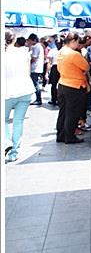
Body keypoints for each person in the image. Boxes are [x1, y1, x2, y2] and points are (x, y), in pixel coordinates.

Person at [55, 31, 91, 144]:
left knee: (63, 112)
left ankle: (60, 135)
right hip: (74, 86)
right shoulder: (73, 54)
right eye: (77, 42)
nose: (78, 44)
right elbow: (86, 66)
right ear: (73, 41)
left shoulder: (61, 52)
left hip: (62, 84)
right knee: (72, 112)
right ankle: (70, 136)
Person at [5, 33, 36, 162]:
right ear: (14, 40)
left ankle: (6, 142)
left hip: (7, 90)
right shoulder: (24, 52)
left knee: (4, 120)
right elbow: (28, 71)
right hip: (25, 89)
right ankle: (14, 152)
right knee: (18, 121)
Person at [27, 33, 45, 106]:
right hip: (38, 68)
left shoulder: (36, 47)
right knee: (35, 83)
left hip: (35, 68)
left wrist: (27, 62)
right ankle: (38, 98)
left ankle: (38, 99)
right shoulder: (38, 46)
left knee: (35, 84)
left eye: (30, 40)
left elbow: (34, 58)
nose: (29, 42)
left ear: (33, 40)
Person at [46, 37, 61, 106]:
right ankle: (55, 99)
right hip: (57, 67)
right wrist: (47, 72)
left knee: (55, 85)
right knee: (55, 85)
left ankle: (55, 99)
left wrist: (47, 72)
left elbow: (49, 62)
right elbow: (49, 62)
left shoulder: (53, 51)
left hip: (57, 67)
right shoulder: (53, 51)